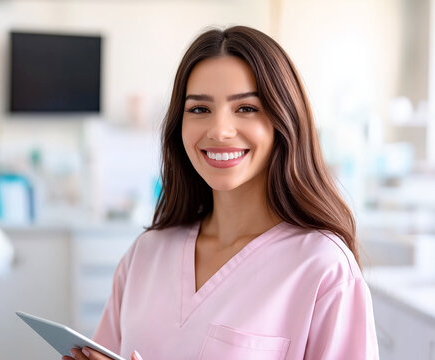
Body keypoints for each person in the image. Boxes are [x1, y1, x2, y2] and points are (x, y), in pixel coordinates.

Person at [64, 25, 379, 360]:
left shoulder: (324, 268)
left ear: (283, 121)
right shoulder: (145, 256)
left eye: (246, 108)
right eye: (199, 109)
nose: (219, 131)